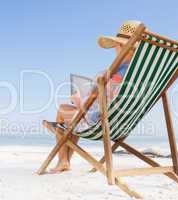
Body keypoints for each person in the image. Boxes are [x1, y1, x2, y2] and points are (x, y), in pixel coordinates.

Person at [49, 20, 141, 173]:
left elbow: (100, 105)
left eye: (115, 46)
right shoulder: (138, 74)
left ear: (120, 46)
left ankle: (63, 160)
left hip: (101, 124)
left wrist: (79, 101)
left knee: (63, 110)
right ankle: (65, 162)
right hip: (123, 125)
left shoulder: (115, 74)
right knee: (74, 118)